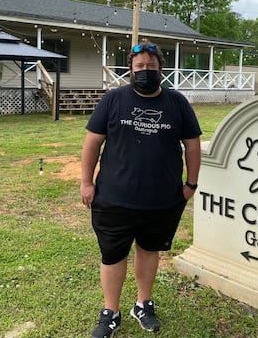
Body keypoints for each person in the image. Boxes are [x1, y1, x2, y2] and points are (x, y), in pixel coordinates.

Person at [80, 40, 202, 338]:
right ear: (131, 70)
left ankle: (143, 303)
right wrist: (86, 181)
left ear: (160, 68)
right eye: (139, 67)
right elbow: (93, 142)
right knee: (113, 255)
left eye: (150, 66)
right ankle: (111, 312)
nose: (145, 71)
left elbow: (192, 145)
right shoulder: (113, 100)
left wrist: (191, 184)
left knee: (149, 252)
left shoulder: (177, 103)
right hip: (113, 198)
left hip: (162, 200)